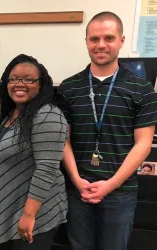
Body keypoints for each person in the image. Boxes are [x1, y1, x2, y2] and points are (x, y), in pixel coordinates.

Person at [56, 11, 157, 250]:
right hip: (77, 189)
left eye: (109, 38)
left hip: (120, 192)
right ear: (87, 42)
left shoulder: (142, 90)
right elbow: (63, 139)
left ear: (121, 41)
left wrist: (110, 184)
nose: (101, 45)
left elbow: (143, 144)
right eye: (94, 39)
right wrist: (77, 181)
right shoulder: (68, 88)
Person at [0, 54, 68, 250]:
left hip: (35, 214)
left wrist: (29, 215)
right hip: (13, 206)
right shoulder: (12, 113)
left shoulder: (48, 114)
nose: (19, 84)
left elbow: (46, 169)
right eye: (13, 79)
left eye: (28, 79)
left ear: (41, 84)